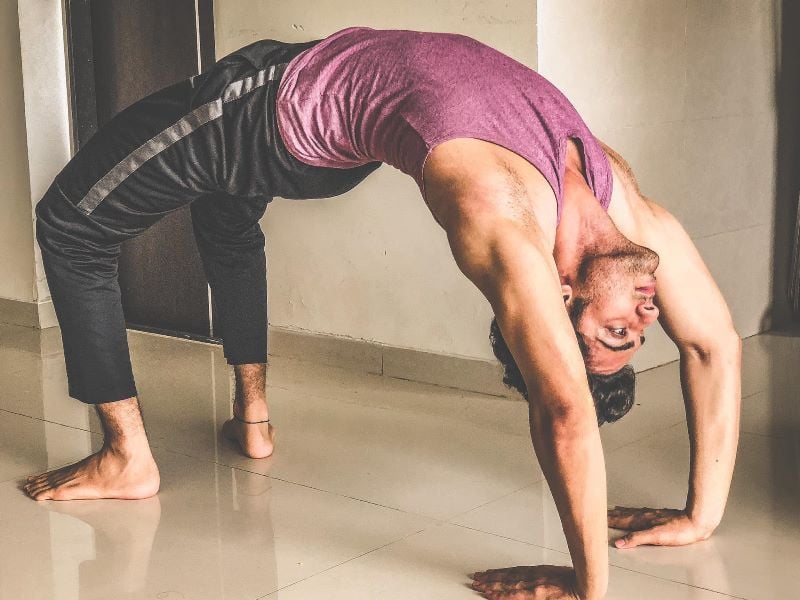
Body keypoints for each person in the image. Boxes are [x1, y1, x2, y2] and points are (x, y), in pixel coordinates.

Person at [24, 27, 741, 600]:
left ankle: (126, 458)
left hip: (268, 107)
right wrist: (699, 517)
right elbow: (713, 346)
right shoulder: (624, 210)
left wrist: (589, 587)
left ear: (560, 295)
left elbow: (563, 410)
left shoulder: (499, 216)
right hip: (325, 141)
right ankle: (254, 419)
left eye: (615, 332)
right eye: (638, 337)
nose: (646, 319)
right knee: (227, 216)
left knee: (69, 223)